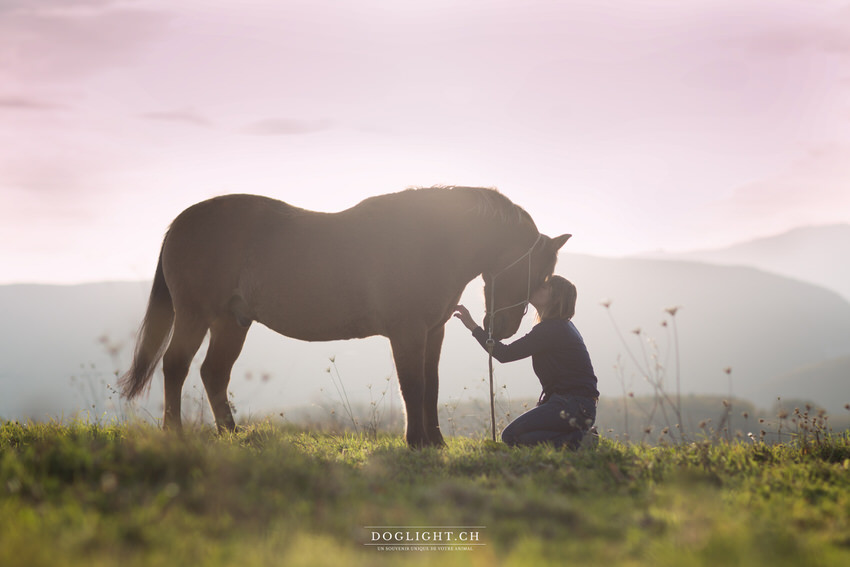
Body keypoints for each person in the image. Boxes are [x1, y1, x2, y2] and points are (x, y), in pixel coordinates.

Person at [453, 275, 599, 450]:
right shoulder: (561, 326)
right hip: (578, 406)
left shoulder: (552, 329)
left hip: (572, 404)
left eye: (544, 287)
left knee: (510, 436)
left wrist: (473, 327)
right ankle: (579, 438)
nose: (536, 288)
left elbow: (504, 354)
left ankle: (579, 440)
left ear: (555, 298)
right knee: (523, 438)